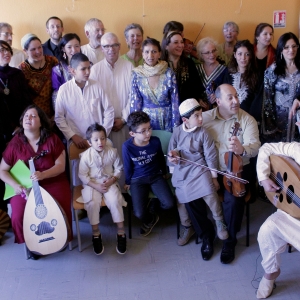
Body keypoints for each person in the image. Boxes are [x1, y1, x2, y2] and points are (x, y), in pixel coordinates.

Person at [201, 84, 260, 263]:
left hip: (237, 171)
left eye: (236, 96)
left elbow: (256, 147)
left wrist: (242, 150)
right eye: (230, 98)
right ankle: (207, 235)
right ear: (218, 101)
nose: (236, 101)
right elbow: (185, 134)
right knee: (189, 192)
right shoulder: (204, 118)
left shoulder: (247, 120)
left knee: (233, 200)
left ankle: (229, 240)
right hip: (212, 170)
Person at [0, 105, 72, 247]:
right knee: (18, 214)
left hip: (53, 181)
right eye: (26, 116)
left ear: (41, 122)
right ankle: (31, 243)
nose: (29, 118)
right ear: (22, 121)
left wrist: (43, 174)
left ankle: (61, 237)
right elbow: (2, 170)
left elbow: (60, 166)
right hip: (25, 186)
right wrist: (15, 186)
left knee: (60, 207)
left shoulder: (52, 139)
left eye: (33, 116)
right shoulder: (14, 144)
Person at [167, 98, 228, 250]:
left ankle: (219, 220)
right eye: (197, 116)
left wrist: (214, 177)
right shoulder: (176, 132)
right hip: (182, 170)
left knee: (209, 190)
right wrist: (173, 159)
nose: (201, 118)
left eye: (201, 114)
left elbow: (211, 156)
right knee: (181, 197)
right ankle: (187, 225)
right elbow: (171, 156)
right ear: (185, 120)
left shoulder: (204, 133)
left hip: (200, 168)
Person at [256, 141, 300, 298]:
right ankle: (271, 272)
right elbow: (266, 148)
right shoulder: (297, 149)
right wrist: (263, 178)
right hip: (293, 215)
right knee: (267, 230)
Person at [89, 32, 133, 189]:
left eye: (114, 45)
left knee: (124, 158)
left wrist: (123, 119)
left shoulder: (129, 67)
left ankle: (126, 192)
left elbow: (133, 97)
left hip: (125, 123)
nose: (111, 49)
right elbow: (94, 101)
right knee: (107, 163)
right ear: (101, 48)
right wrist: (107, 123)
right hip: (104, 127)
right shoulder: (95, 70)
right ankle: (109, 194)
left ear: (120, 47)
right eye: (106, 46)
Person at [78, 123, 127, 255]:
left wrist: (112, 180)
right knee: (92, 203)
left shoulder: (112, 152)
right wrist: (96, 185)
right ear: (89, 142)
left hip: (108, 182)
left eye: (103, 138)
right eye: (96, 140)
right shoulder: (86, 156)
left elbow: (118, 169)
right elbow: (82, 175)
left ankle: (121, 232)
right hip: (92, 184)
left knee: (115, 200)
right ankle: (96, 234)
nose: (100, 142)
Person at [122, 111, 174, 236]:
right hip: (137, 179)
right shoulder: (127, 146)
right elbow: (127, 166)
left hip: (156, 176)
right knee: (138, 213)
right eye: (143, 131)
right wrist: (128, 181)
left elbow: (161, 158)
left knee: (169, 203)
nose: (148, 133)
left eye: (149, 128)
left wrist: (165, 172)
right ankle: (151, 218)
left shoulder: (155, 141)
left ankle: (154, 205)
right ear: (132, 133)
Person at [55, 52, 114, 149]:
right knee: (79, 164)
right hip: (77, 142)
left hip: (99, 142)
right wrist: (72, 136)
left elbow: (109, 110)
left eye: (89, 68)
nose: (88, 72)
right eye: (83, 69)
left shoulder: (97, 86)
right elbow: (59, 118)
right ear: (72, 71)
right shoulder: (64, 90)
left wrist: (102, 135)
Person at [130, 37, 180, 132]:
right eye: (147, 52)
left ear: (159, 54)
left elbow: (175, 102)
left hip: (168, 120)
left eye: (154, 51)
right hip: (146, 124)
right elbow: (135, 104)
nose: (150, 55)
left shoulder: (168, 73)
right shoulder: (137, 74)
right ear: (143, 54)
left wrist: (176, 127)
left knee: (168, 146)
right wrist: (136, 128)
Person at [262, 32, 300, 143]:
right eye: (286, 47)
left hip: (298, 120)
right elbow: (267, 100)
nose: (291, 50)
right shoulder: (272, 70)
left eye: (294, 46)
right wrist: (271, 126)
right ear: (281, 49)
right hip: (279, 121)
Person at [19, 34, 58, 118]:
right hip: (34, 115)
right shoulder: (22, 70)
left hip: (55, 112)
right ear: (25, 51)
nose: (38, 51)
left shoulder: (52, 61)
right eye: (33, 49)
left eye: (39, 47)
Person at [223, 40, 260, 121]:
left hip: (249, 119)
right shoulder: (228, 73)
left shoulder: (257, 75)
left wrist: (250, 120)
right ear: (235, 55)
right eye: (240, 54)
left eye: (247, 54)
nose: (243, 58)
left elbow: (258, 101)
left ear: (251, 56)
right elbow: (224, 95)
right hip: (229, 118)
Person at [161, 31, 202, 103]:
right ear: (166, 46)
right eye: (176, 42)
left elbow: (197, 87)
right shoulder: (160, 64)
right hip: (166, 106)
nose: (180, 45)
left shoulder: (189, 63)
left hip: (187, 107)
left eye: (182, 42)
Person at [196, 37, 228, 109]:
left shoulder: (225, 70)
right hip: (199, 110)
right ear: (201, 55)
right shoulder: (196, 69)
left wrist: (218, 96)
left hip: (218, 109)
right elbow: (192, 90)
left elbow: (227, 91)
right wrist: (198, 99)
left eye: (214, 51)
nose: (212, 55)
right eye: (207, 52)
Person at [51, 33, 81, 108]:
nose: (74, 50)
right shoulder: (58, 70)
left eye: (76, 46)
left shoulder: (89, 66)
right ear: (63, 49)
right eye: (69, 47)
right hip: (67, 110)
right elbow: (56, 95)